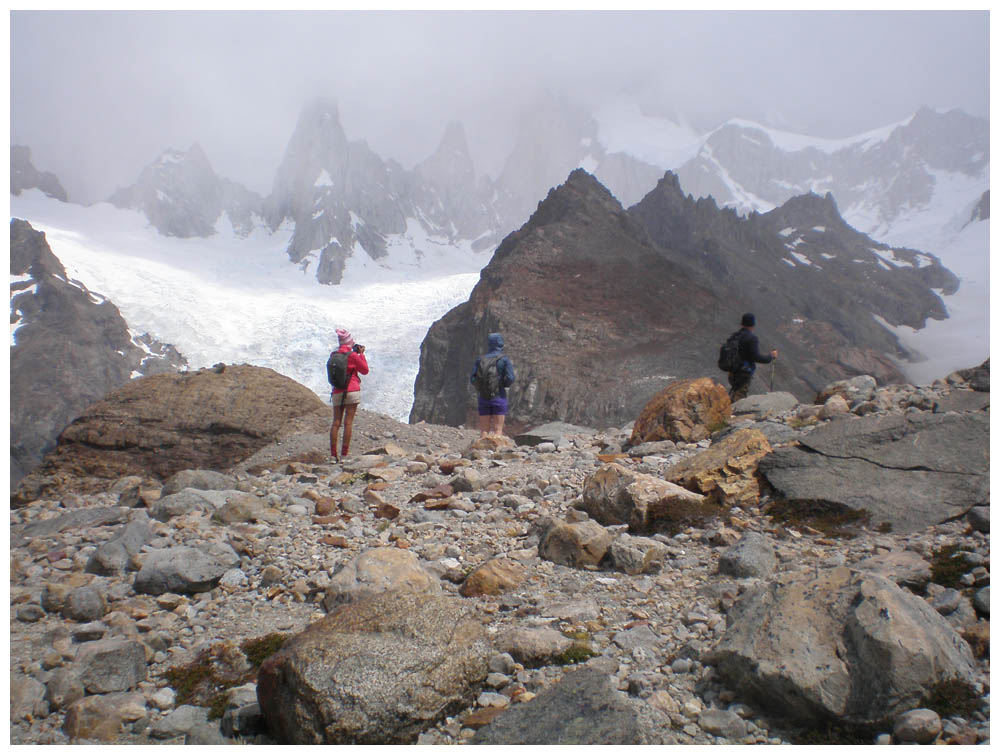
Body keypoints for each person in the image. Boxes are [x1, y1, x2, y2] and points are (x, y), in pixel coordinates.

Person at [329, 328, 369, 461]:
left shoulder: (333, 355)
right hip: (351, 390)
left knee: (336, 422)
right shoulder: (352, 356)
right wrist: (361, 354)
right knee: (348, 423)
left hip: (336, 392)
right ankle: (344, 455)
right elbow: (364, 370)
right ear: (349, 342)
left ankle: (333, 455)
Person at [470, 332, 515, 437]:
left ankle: (482, 451)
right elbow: (510, 378)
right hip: (499, 396)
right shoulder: (504, 359)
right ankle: (495, 452)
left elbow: (472, 379)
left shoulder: (480, 359)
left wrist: (481, 388)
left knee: (484, 430)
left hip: (483, 397)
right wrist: (502, 384)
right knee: (497, 430)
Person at [727, 313, 778, 402]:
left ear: (742, 323)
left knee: (733, 392)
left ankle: (726, 411)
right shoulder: (752, 338)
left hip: (732, 371)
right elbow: (756, 357)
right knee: (739, 398)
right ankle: (733, 414)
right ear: (753, 324)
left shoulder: (734, 336)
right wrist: (771, 356)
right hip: (744, 373)